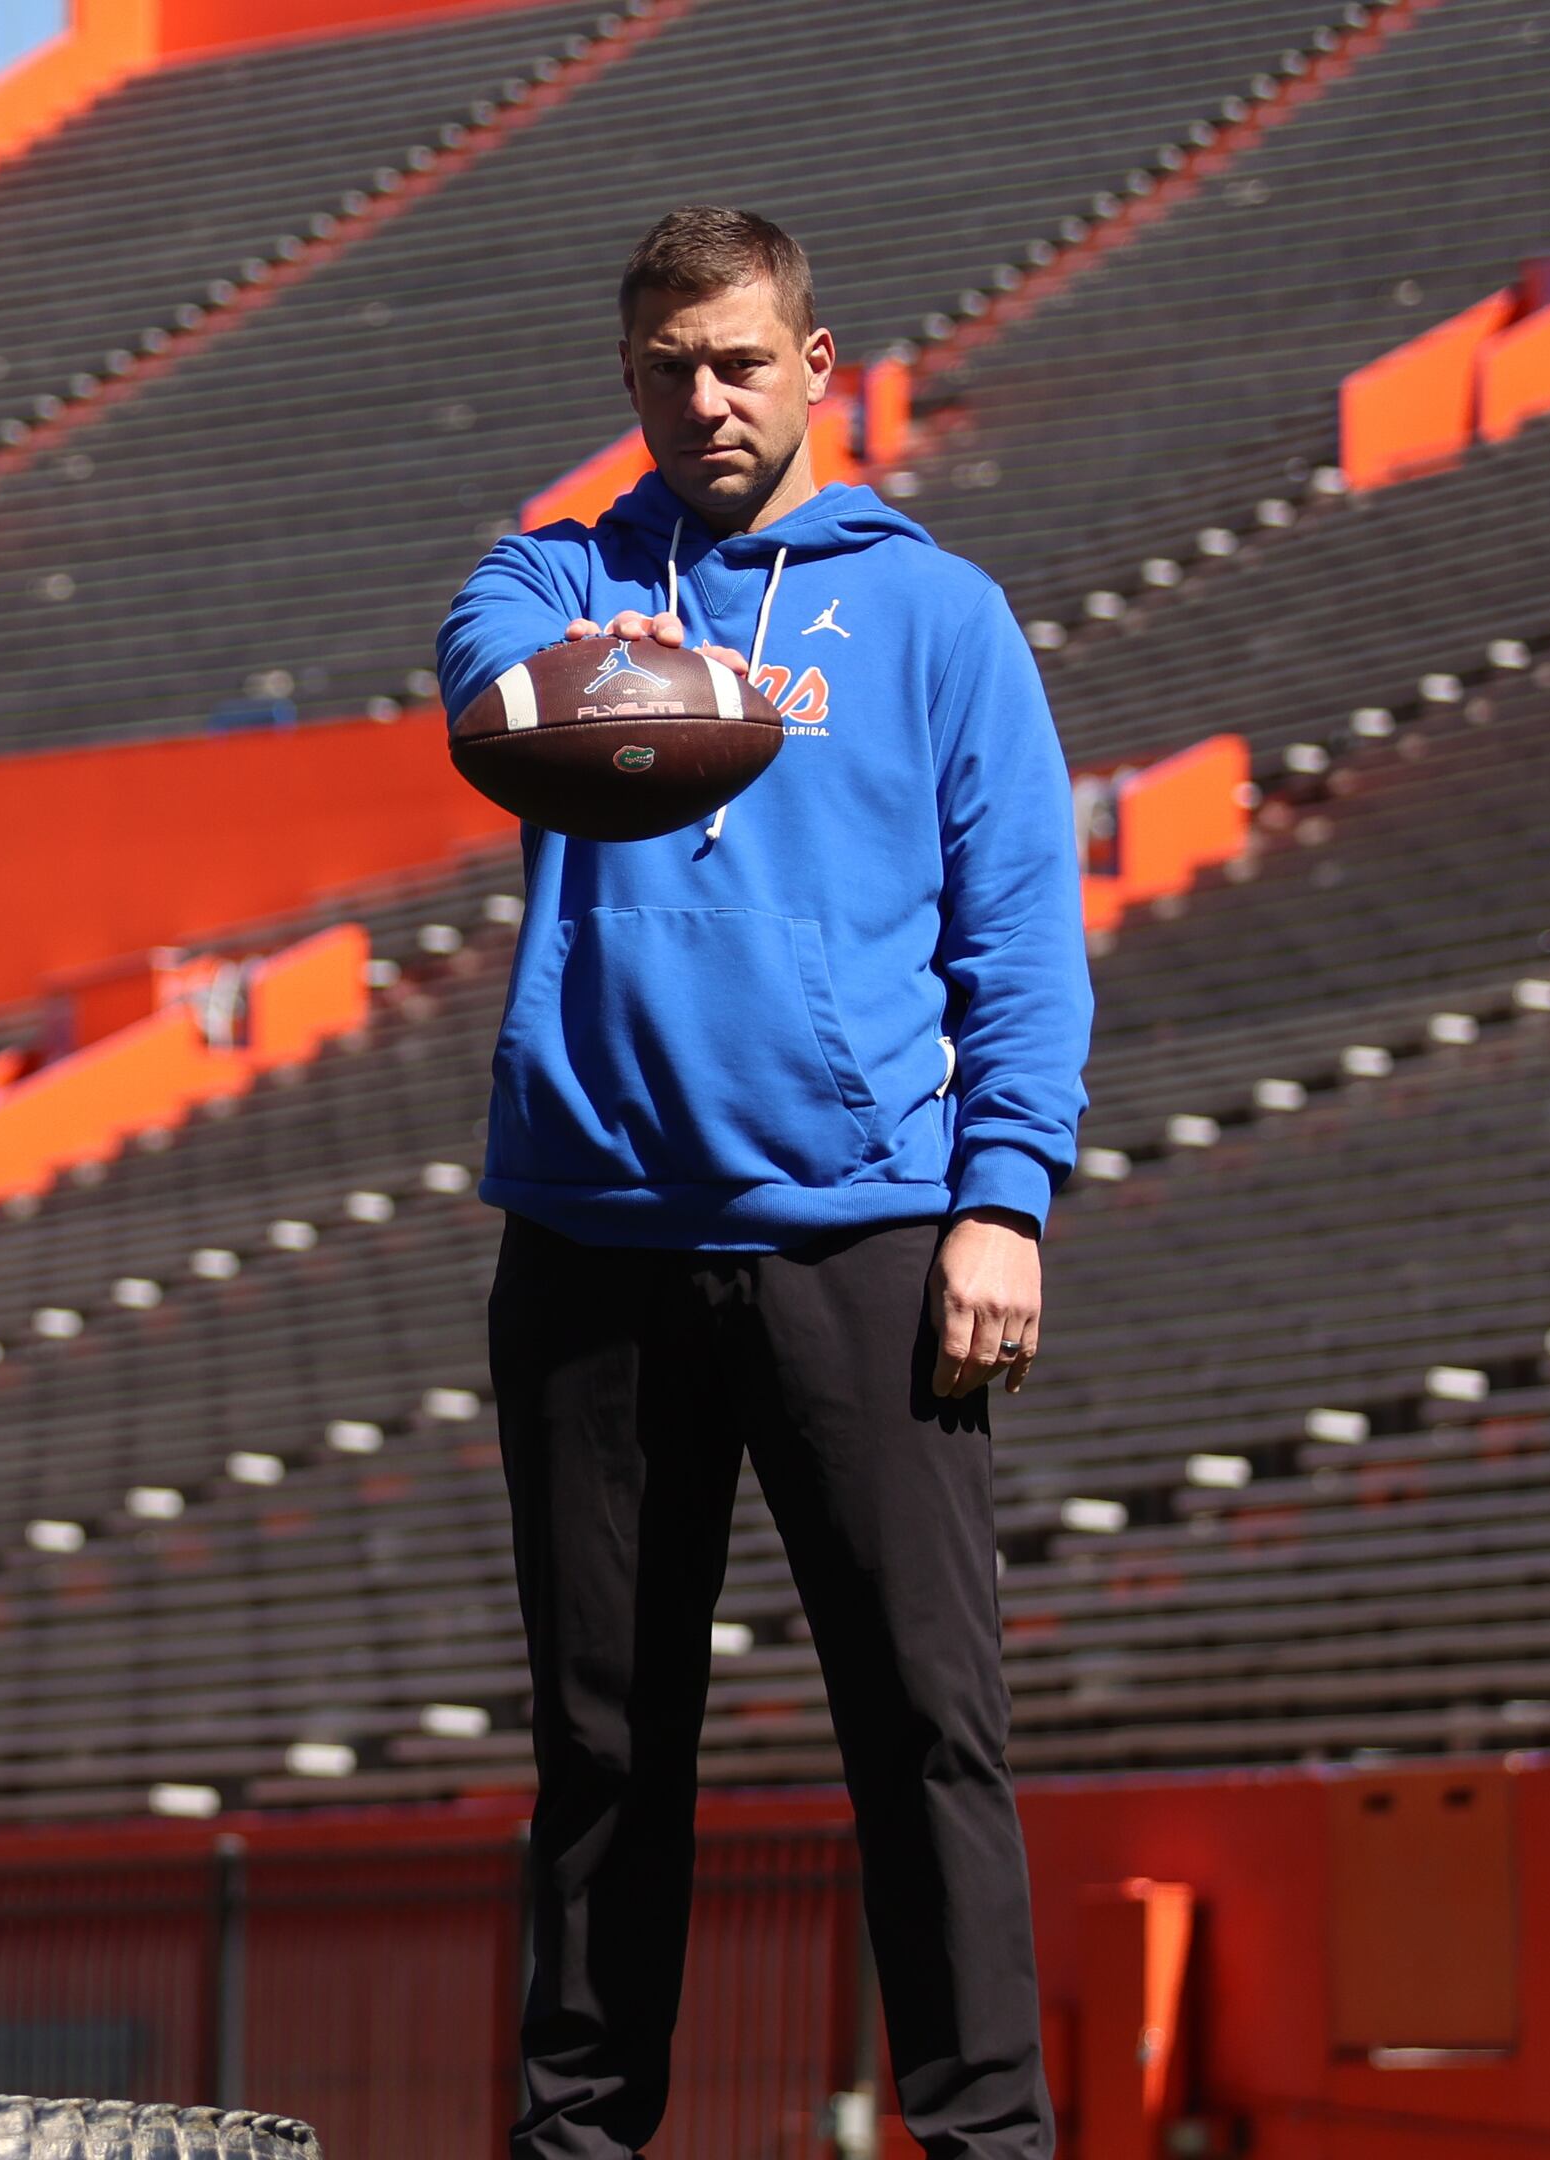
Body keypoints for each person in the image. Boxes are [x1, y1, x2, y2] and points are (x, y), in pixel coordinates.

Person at [434, 206, 1092, 2160]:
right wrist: (612, 675)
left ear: (820, 366)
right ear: (625, 383)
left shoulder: (938, 618)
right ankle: (579, 2147)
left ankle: (987, 2143)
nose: (705, 398)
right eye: (665, 368)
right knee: (608, 1756)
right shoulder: (543, 576)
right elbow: (494, 691)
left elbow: (1023, 942)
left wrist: (1006, 1201)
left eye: (740, 361)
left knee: (926, 1735)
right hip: (594, 1241)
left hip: (868, 1233)